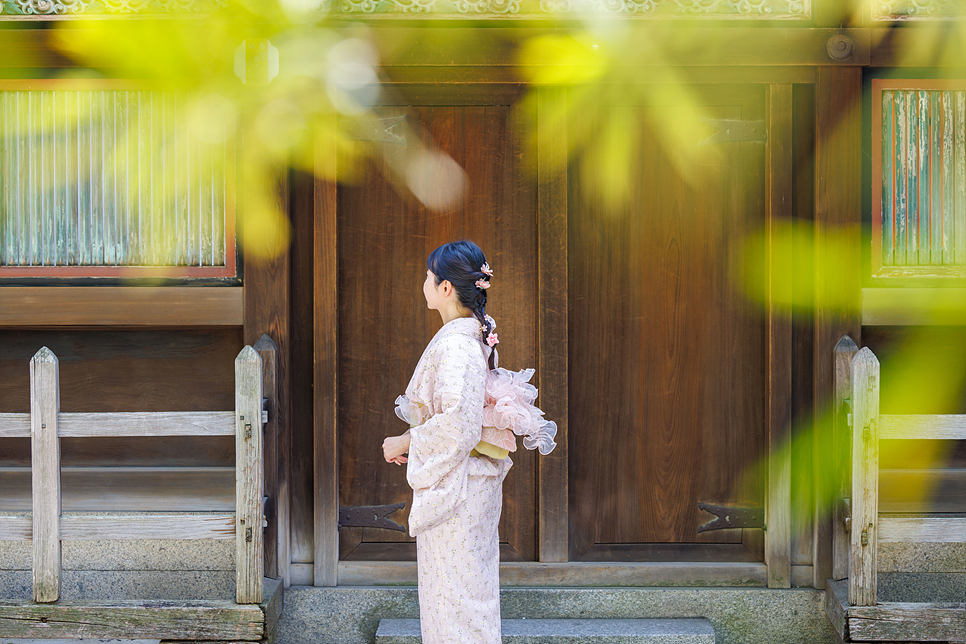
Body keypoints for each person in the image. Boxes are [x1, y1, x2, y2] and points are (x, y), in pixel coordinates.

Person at [382, 240, 555, 644]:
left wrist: (406, 440)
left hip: (458, 491)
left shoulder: (457, 343)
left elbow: (459, 425)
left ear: (445, 288)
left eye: (428, 276)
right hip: (469, 485)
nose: (423, 282)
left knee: (456, 605)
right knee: (465, 599)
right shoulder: (469, 337)